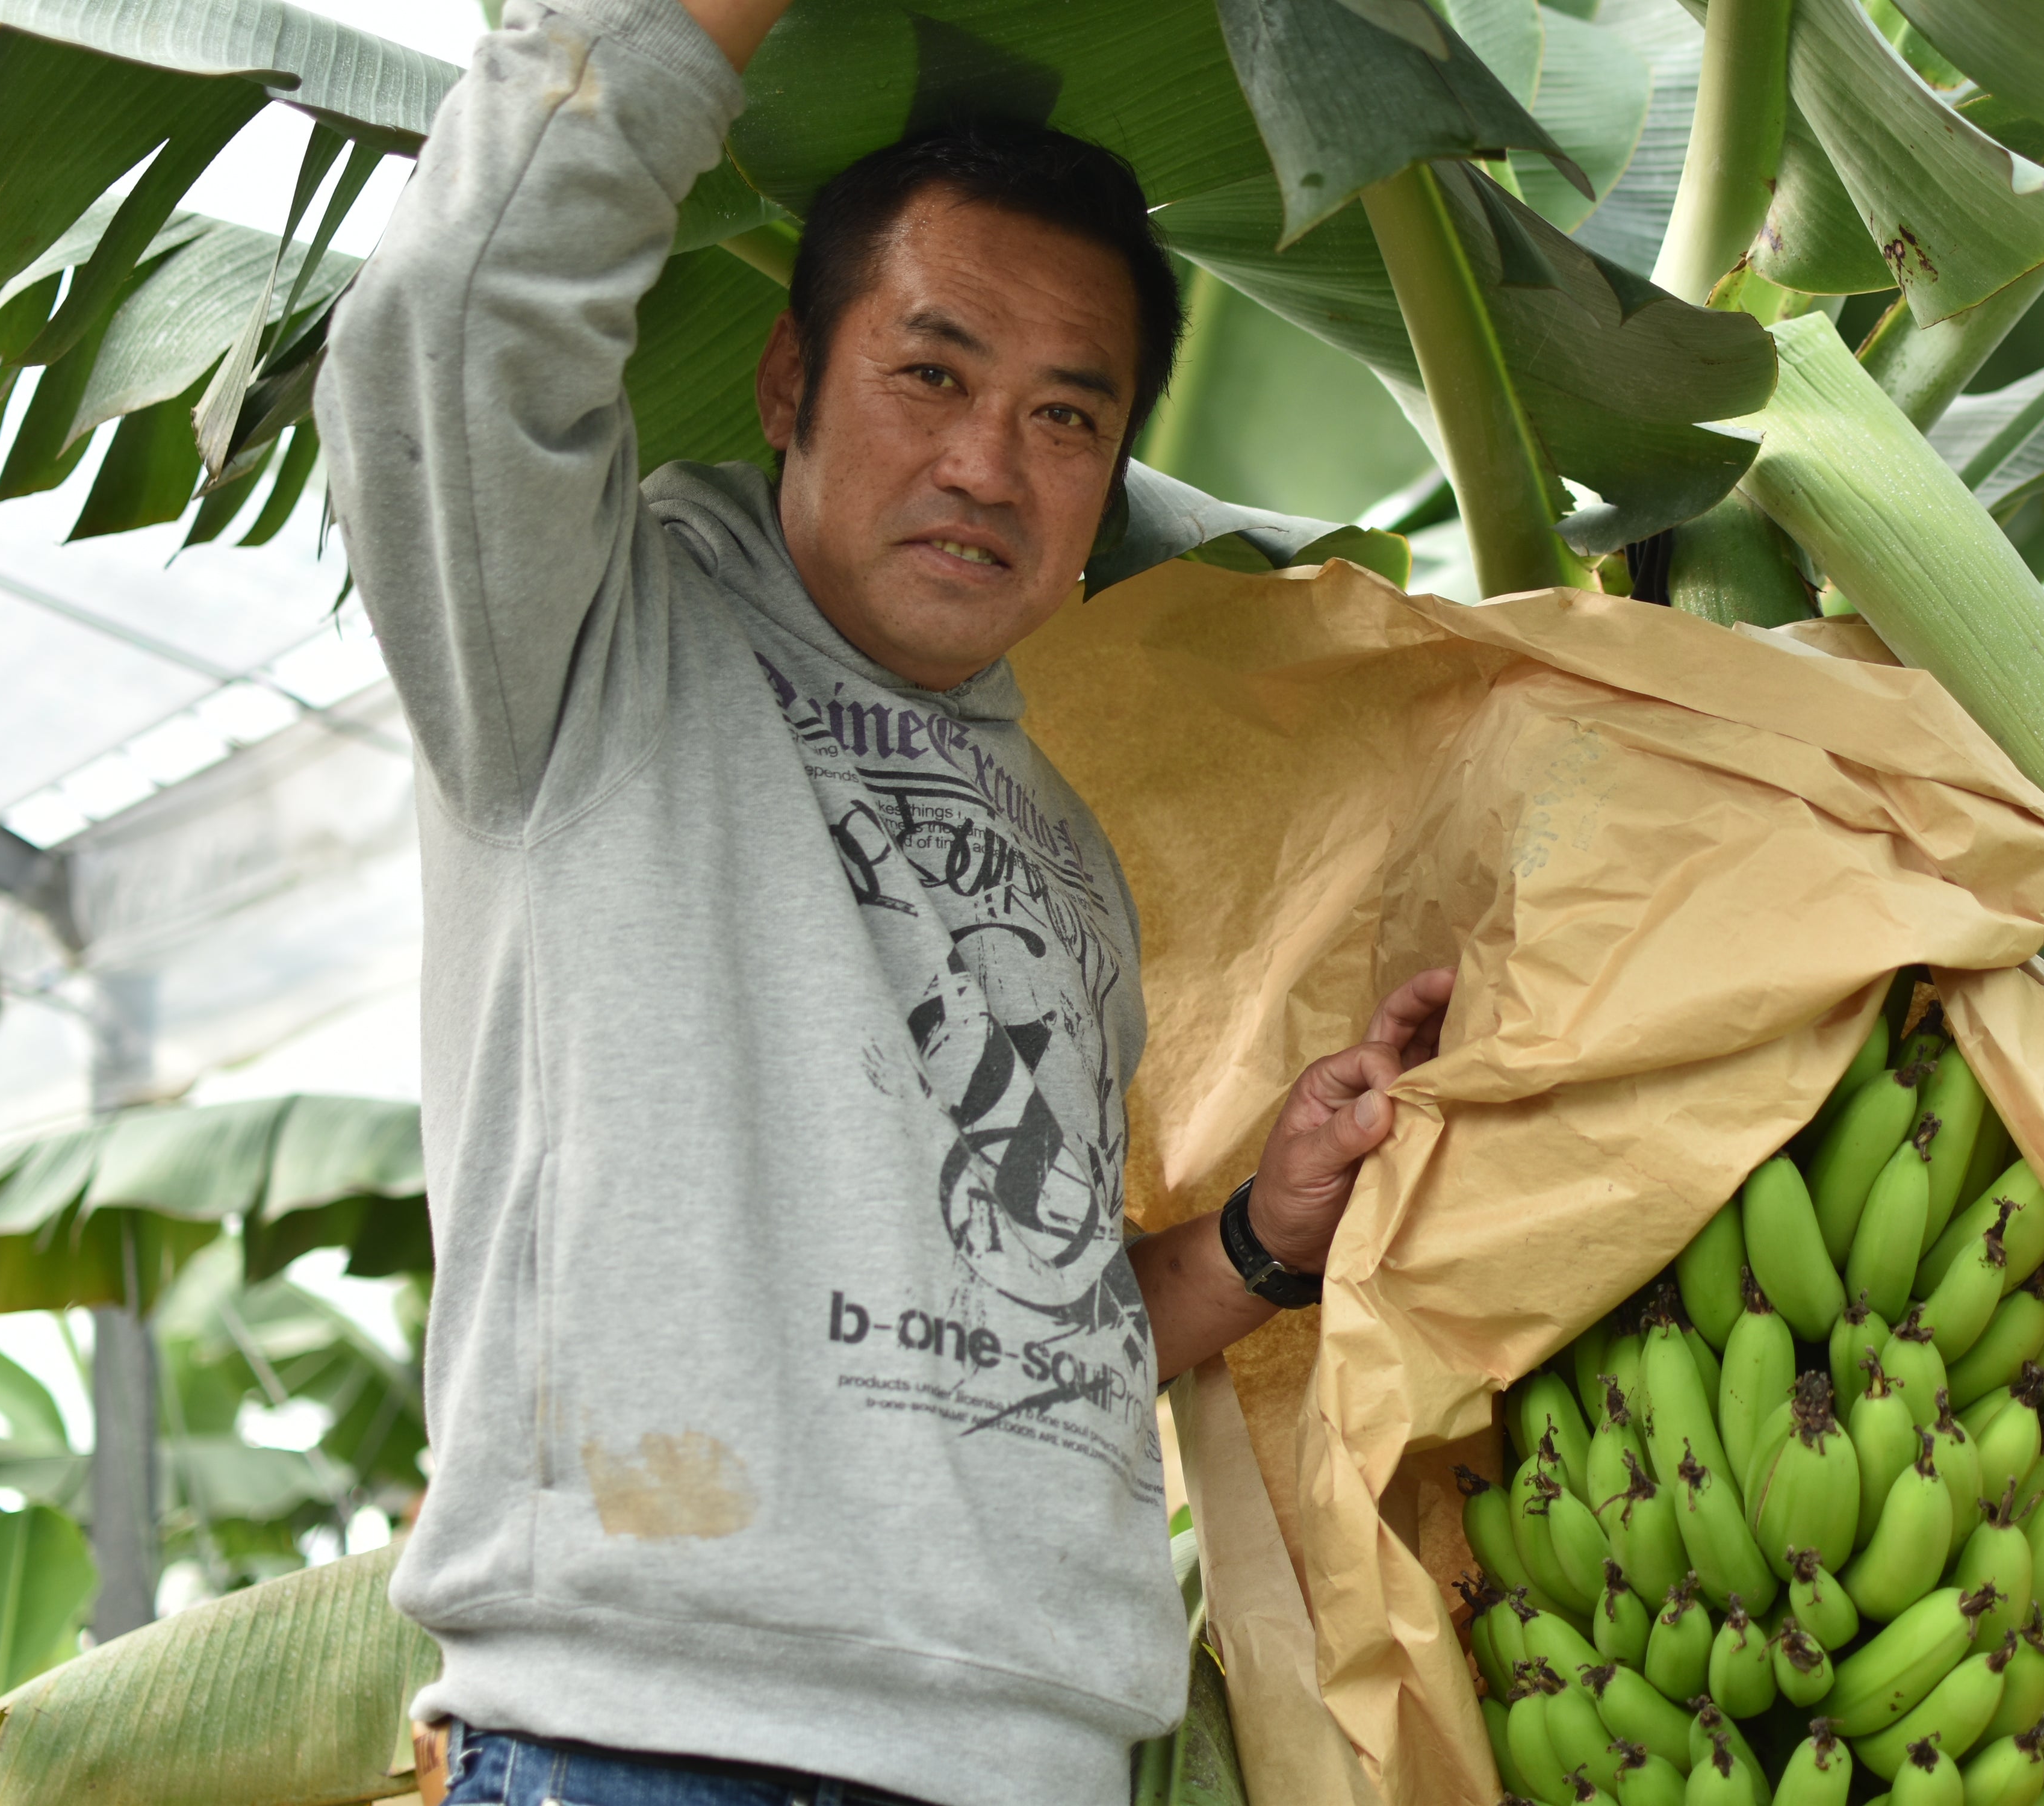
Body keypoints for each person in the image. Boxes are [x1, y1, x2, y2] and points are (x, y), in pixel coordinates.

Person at [318, 1, 1451, 1801]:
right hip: (658, 1745)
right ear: (789, 384)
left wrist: (1256, 1242)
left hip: (1038, 1759)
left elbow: (1032, 1330)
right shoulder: (589, 653)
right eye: (933, 372)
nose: (989, 465)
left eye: (1064, 415)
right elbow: (450, 335)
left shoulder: (1066, 855)